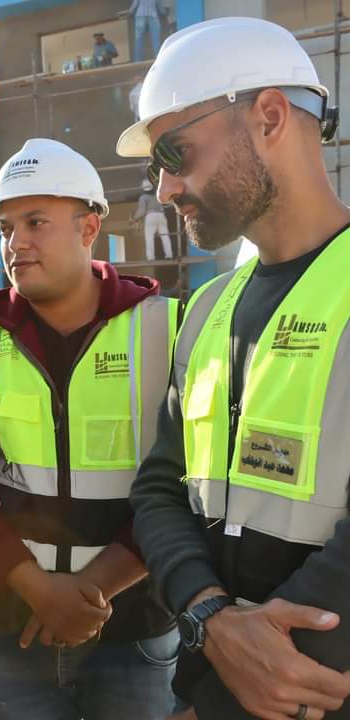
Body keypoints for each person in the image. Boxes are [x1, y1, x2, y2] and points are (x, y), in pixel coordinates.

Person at [118, 17, 350, 720]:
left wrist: (234, 687)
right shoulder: (207, 310)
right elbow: (160, 489)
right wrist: (209, 619)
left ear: (270, 117)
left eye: (175, 152)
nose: (164, 189)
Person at [0, 138, 181, 720]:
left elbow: (187, 477)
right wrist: (38, 590)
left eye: (36, 222)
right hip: (10, 627)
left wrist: (92, 591)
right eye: (7, 227)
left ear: (89, 227)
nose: (15, 242)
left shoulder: (168, 330)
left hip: (136, 625)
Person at [133, 179, 173, 260]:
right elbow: (168, 203)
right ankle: (169, 255)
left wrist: (134, 218)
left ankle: (151, 257)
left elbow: (141, 211)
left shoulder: (143, 197)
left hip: (150, 216)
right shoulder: (158, 194)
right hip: (161, 215)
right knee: (165, 236)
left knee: (149, 237)